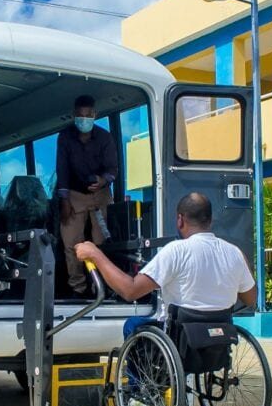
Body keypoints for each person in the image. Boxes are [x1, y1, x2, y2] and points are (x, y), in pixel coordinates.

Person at [75, 192, 256, 339]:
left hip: (182, 338)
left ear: (180, 220)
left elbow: (129, 291)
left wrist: (95, 254)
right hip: (219, 339)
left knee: (132, 325)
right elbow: (250, 299)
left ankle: (137, 385)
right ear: (210, 221)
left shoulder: (177, 251)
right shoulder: (234, 252)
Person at [56, 94, 118, 297]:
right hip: (73, 194)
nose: (84, 119)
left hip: (100, 193)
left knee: (103, 241)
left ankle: (102, 285)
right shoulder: (65, 137)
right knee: (71, 242)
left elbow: (113, 169)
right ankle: (78, 288)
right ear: (74, 115)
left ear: (94, 115)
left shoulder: (105, 137)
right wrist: (64, 200)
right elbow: (62, 169)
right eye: (80, 115)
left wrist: (103, 180)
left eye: (88, 115)